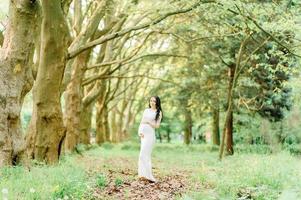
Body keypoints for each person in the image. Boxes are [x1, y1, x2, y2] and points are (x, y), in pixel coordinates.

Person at [138, 96, 163, 183]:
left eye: (154, 101)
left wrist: (148, 122)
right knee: (142, 154)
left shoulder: (159, 112)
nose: (152, 102)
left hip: (150, 136)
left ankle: (150, 176)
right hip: (143, 135)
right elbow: (141, 122)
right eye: (151, 101)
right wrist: (140, 131)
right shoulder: (146, 110)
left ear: (157, 103)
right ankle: (142, 175)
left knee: (144, 155)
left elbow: (157, 126)